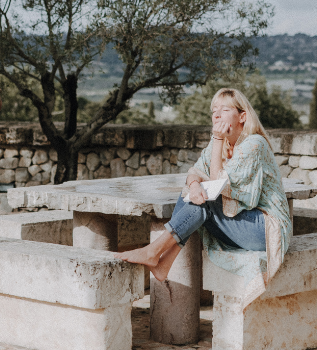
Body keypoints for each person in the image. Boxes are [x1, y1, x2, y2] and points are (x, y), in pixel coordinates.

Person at [123, 88, 292, 302]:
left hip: (266, 229)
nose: (217, 115)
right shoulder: (220, 142)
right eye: (214, 111)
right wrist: (194, 185)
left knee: (206, 198)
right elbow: (195, 171)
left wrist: (217, 140)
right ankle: (163, 262)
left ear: (242, 116)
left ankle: (154, 252)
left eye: (225, 110)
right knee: (192, 192)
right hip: (242, 223)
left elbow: (216, 183)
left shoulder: (254, 144)